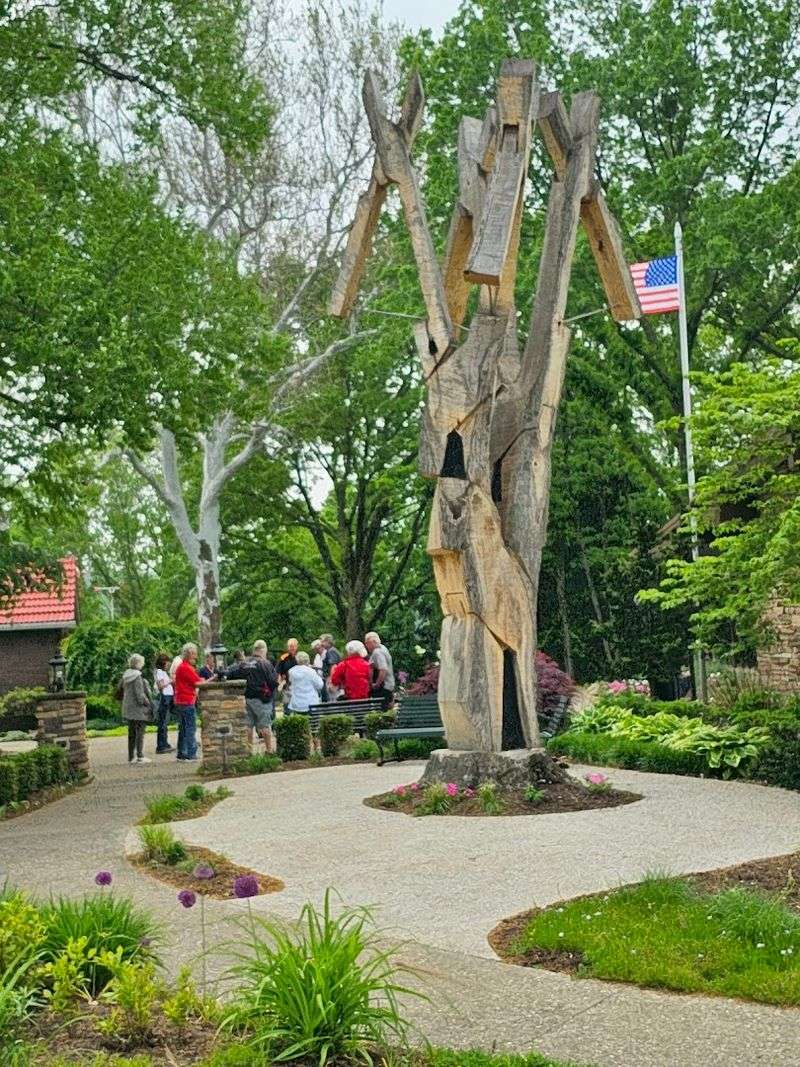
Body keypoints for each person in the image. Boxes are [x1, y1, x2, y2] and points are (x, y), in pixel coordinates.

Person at [226, 640, 278, 752]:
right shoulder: (265, 664)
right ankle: (269, 751)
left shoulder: (244, 663)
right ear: (263, 650)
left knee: (248, 726)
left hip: (247, 699)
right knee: (265, 726)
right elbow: (273, 682)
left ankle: (249, 751)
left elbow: (230, 676)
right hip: (262, 699)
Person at [173, 642, 212, 761]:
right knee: (190, 727)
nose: (196, 656)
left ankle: (182, 752)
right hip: (187, 700)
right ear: (189, 654)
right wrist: (213, 678)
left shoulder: (181, 667)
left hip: (180, 700)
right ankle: (191, 753)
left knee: (183, 727)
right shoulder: (186, 667)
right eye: (194, 653)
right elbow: (198, 682)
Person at [121, 653, 153, 765]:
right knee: (140, 733)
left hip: (128, 707)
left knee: (131, 733)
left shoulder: (126, 676)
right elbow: (140, 695)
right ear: (139, 663)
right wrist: (148, 703)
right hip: (138, 710)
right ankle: (140, 755)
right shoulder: (137, 677)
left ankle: (131, 757)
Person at [365, 631, 395, 709]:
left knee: (380, 709)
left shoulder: (377, 652)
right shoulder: (383, 648)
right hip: (389, 685)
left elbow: (383, 669)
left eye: (367, 643)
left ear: (373, 642)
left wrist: (377, 684)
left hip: (384, 686)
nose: (366, 645)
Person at [153, 652, 175, 754]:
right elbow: (161, 685)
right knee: (162, 722)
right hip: (165, 697)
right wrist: (170, 681)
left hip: (168, 697)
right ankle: (161, 745)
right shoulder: (159, 672)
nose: (168, 665)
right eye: (167, 663)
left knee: (165, 721)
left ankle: (165, 743)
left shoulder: (163, 672)